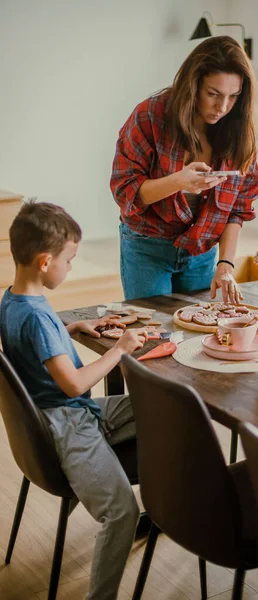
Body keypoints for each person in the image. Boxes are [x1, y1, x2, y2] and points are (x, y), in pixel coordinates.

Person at [0, 201, 148, 600]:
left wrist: (71, 328)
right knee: (121, 514)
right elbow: (73, 385)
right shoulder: (35, 316)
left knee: (160, 411)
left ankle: (162, 500)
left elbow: (35, 340)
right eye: (70, 260)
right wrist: (118, 349)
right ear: (46, 262)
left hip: (62, 414)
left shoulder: (13, 299)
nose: (71, 267)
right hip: (67, 423)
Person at [111, 35, 258, 304]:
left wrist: (225, 263)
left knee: (194, 340)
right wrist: (178, 181)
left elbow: (238, 207)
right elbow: (126, 193)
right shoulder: (151, 116)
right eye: (213, 94)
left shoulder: (238, 130)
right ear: (193, 85)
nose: (223, 107)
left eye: (233, 97)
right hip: (148, 246)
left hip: (200, 251)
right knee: (151, 336)